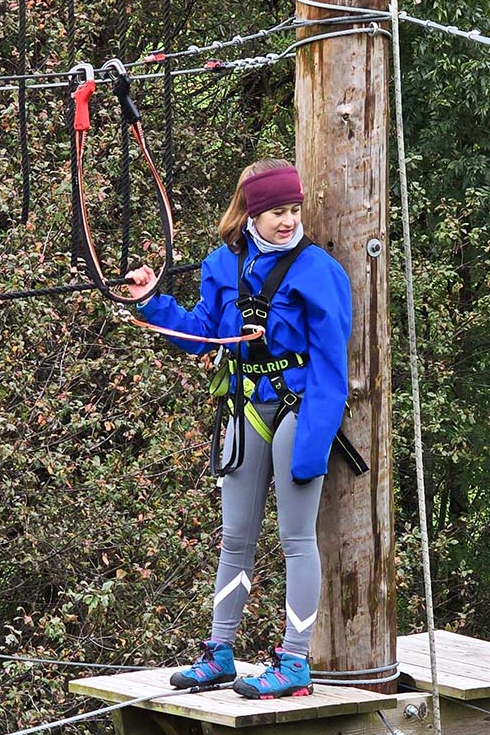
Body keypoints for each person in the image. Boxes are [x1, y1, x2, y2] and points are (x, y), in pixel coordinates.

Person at [119, 159, 352, 699]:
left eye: (294, 210)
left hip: (296, 409)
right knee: (235, 537)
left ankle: (295, 662)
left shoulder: (318, 271)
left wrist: (313, 446)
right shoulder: (224, 266)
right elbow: (203, 333)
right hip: (246, 407)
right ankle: (220, 652)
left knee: (296, 538)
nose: (288, 221)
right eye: (276, 212)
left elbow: (331, 368)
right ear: (250, 211)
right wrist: (152, 301)